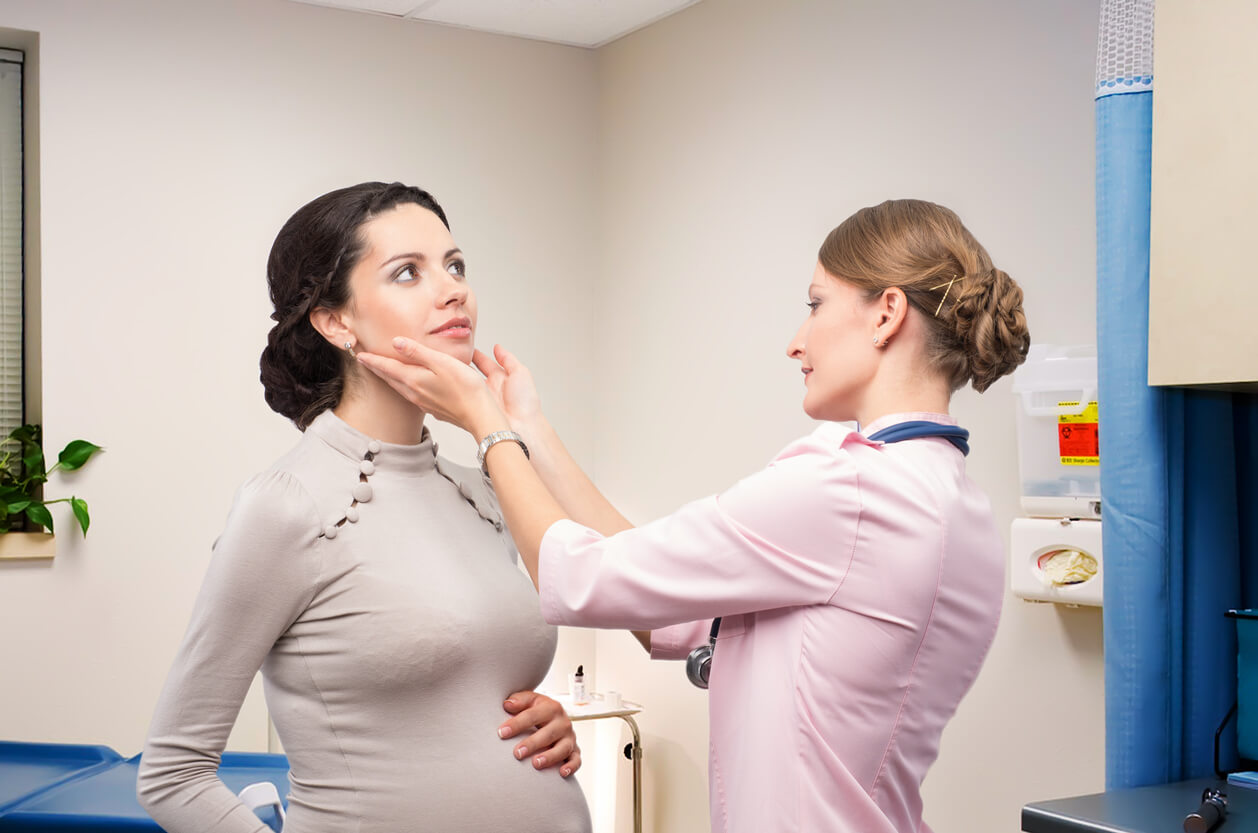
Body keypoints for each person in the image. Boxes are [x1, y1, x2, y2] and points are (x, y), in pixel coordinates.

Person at [357, 198, 1031, 833]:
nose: (796, 342)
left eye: (815, 304)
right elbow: (661, 602)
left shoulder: (846, 487)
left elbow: (584, 577)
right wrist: (530, 429)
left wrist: (485, 423)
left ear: (886, 314)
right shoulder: (951, 499)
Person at [137, 182, 592, 833]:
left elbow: (459, 701)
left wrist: (538, 727)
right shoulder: (287, 507)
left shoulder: (485, 488)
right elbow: (173, 773)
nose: (453, 287)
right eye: (408, 271)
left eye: (455, 264)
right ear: (336, 320)